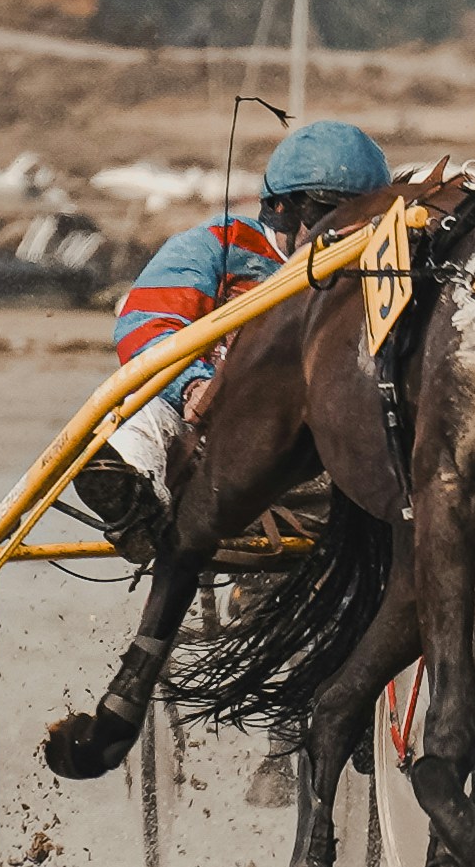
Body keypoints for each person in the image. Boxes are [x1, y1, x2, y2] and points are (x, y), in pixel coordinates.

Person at [72, 120, 390, 549]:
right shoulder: (217, 245)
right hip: (209, 432)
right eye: (328, 211)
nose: (345, 228)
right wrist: (192, 387)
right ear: (282, 208)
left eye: (363, 214)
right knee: (143, 410)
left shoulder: (380, 269)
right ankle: (135, 501)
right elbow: (148, 324)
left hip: (315, 446)